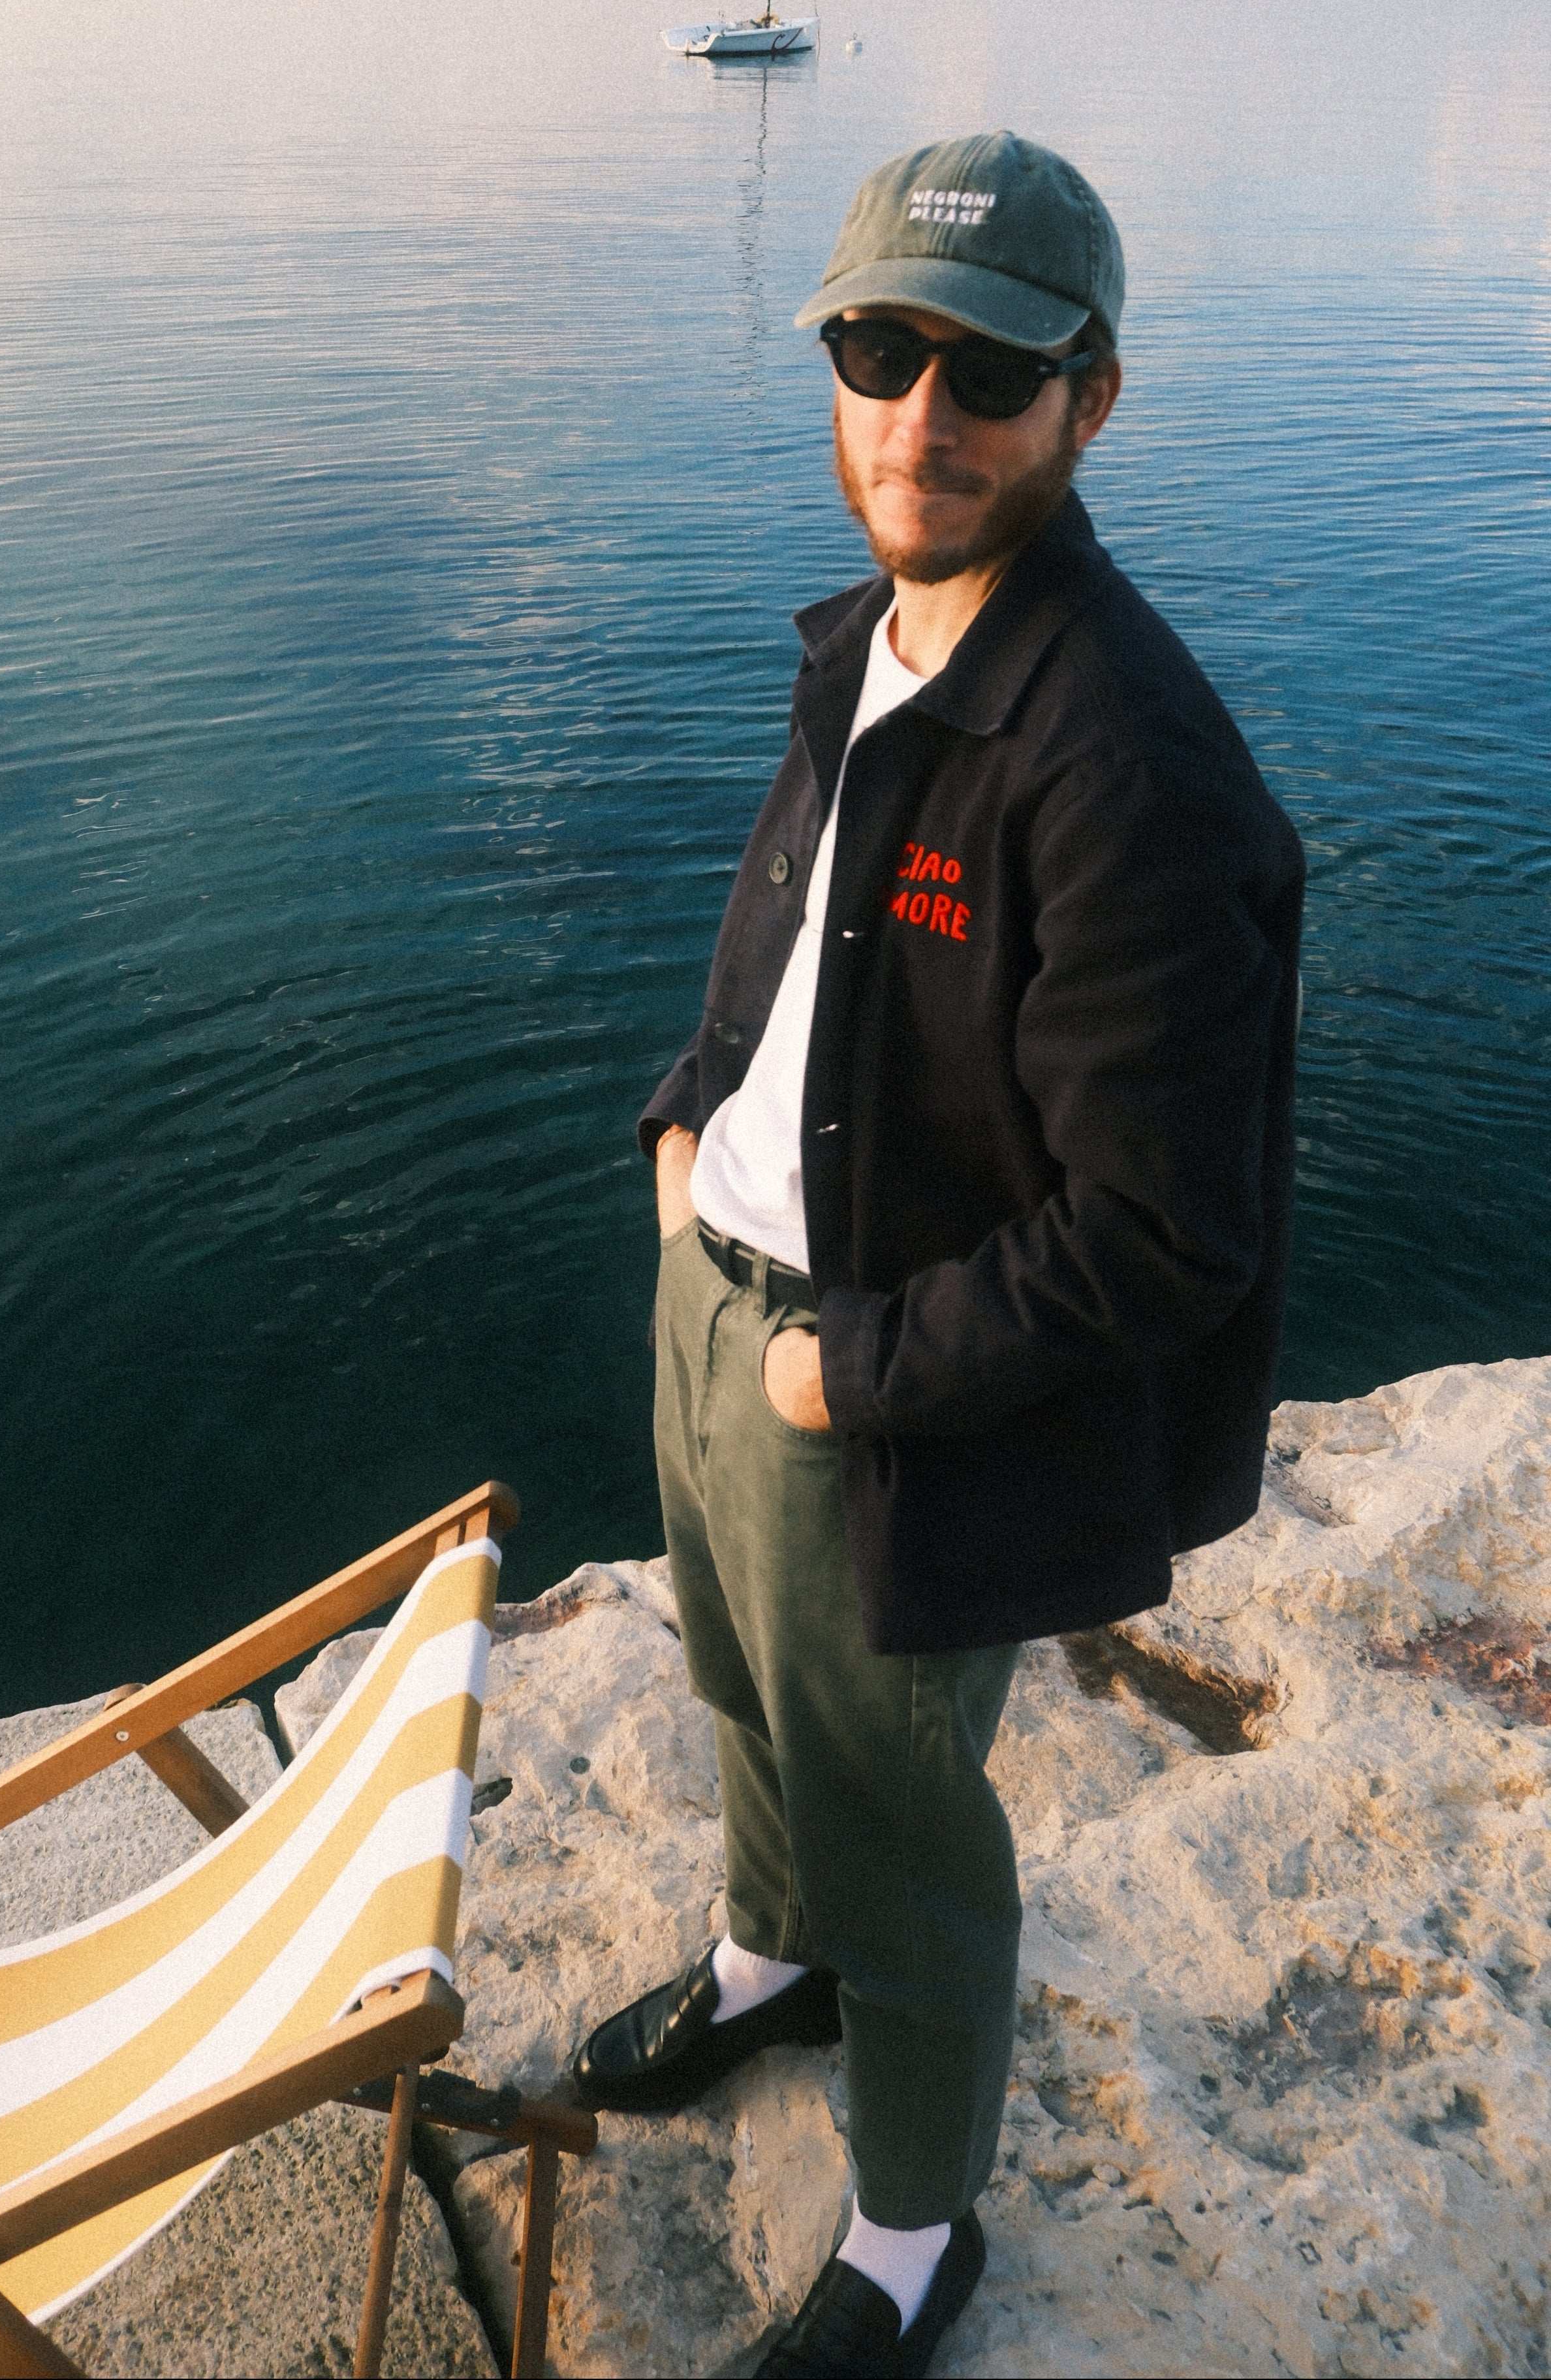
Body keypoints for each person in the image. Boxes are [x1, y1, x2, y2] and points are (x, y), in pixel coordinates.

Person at [569, 131, 1306, 2377]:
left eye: (990, 369)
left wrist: (846, 1372)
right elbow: (797, 941)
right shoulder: (881, 642)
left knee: (904, 1819)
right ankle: (773, 1954)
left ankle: (913, 2235)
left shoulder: (1123, 760)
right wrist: (690, 1111)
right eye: (883, 349)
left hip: (873, 1386)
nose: (925, 414)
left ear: (1095, 400)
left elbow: (1164, 1232)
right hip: (734, 1307)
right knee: (746, 1704)